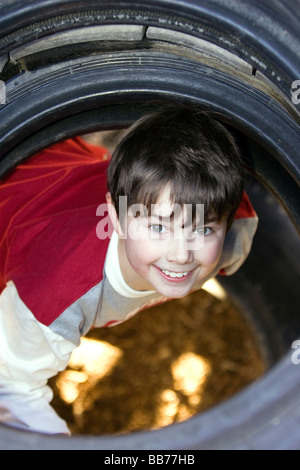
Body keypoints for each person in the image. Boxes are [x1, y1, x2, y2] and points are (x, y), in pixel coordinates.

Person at [0, 104, 258, 435]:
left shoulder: (238, 229)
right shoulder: (52, 297)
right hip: (13, 203)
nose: (180, 255)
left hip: (65, 168)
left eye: (203, 230)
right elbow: (10, 389)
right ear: (117, 218)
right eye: (158, 228)